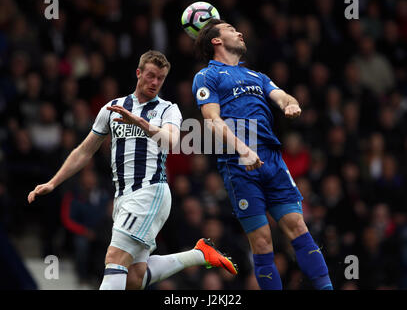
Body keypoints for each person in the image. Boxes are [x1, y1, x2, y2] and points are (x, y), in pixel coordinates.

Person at [28, 50, 237, 290]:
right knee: (134, 277)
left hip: (150, 192)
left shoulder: (168, 109)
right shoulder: (113, 108)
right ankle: (199, 254)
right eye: (150, 76)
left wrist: (141, 123)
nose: (155, 82)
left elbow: (171, 140)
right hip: (123, 198)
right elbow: (85, 150)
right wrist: (53, 182)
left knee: (114, 258)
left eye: (160, 78)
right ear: (138, 73)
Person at [192, 19, 333, 290]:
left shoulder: (257, 76)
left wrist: (290, 105)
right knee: (262, 241)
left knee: (298, 228)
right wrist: (243, 150)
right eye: (232, 29)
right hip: (238, 164)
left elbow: (281, 96)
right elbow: (212, 119)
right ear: (216, 41)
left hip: (272, 159)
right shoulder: (206, 76)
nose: (240, 32)